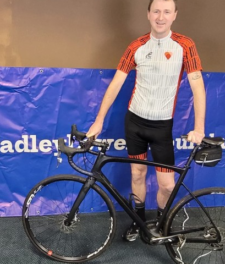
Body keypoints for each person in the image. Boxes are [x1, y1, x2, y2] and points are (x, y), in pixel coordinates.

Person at [86, 0, 206, 242]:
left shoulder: (185, 45)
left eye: (166, 12)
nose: (161, 17)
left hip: (162, 127)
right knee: (138, 175)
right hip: (135, 123)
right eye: (156, 11)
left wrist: (199, 127)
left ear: (174, 16)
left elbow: (197, 86)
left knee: (166, 185)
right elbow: (116, 84)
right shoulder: (136, 46)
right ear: (148, 14)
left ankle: (162, 223)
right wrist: (98, 121)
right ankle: (138, 221)